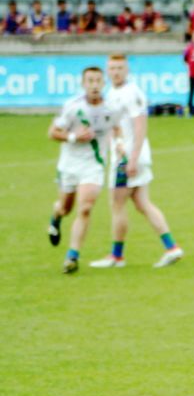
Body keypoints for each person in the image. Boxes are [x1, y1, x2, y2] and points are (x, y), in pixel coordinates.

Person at [88, 54, 184, 269]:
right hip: (127, 155)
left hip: (128, 158)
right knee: (142, 203)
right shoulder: (112, 93)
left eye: (120, 68)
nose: (115, 72)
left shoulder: (131, 93)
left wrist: (132, 159)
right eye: (112, 68)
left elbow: (140, 127)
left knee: (117, 204)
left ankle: (117, 256)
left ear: (127, 69)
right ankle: (171, 247)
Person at [46, 66, 124, 274]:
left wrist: (119, 142)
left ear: (103, 83)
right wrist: (73, 137)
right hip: (69, 165)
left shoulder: (111, 108)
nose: (94, 85)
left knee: (86, 207)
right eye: (90, 81)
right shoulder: (72, 107)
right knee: (66, 208)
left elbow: (116, 127)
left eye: (98, 80)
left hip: (94, 165)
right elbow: (52, 132)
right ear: (83, 84)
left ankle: (72, 256)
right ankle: (56, 216)